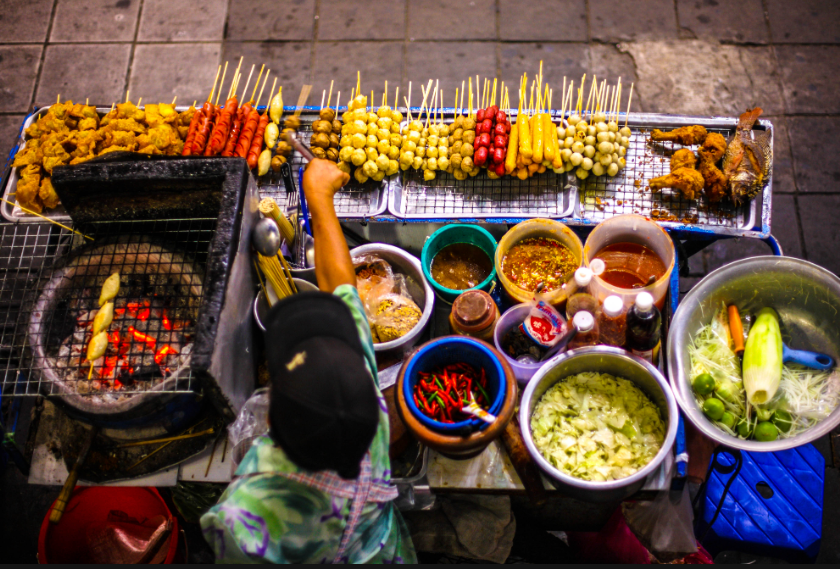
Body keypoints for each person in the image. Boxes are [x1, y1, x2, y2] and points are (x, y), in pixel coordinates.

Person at [200, 159, 417, 564]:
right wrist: (319, 198)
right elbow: (342, 286)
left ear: (271, 420)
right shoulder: (366, 407)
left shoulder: (242, 518)